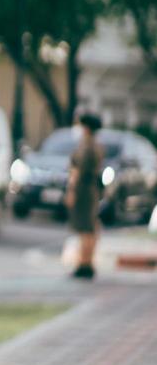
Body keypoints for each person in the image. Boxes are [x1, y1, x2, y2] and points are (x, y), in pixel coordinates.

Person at [66, 112, 105, 279]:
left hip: (83, 190)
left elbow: (77, 171)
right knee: (90, 227)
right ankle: (87, 262)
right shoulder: (96, 146)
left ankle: (84, 263)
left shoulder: (86, 147)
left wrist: (71, 191)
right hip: (92, 189)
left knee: (85, 228)